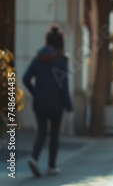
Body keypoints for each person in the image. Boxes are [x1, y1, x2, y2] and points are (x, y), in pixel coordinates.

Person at [23, 25, 73, 177]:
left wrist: (35, 93)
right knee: (54, 136)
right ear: (60, 43)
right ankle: (51, 166)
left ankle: (33, 158)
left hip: (39, 104)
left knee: (42, 133)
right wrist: (68, 105)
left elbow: (25, 79)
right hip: (56, 105)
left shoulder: (37, 59)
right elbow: (63, 87)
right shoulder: (61, 61)